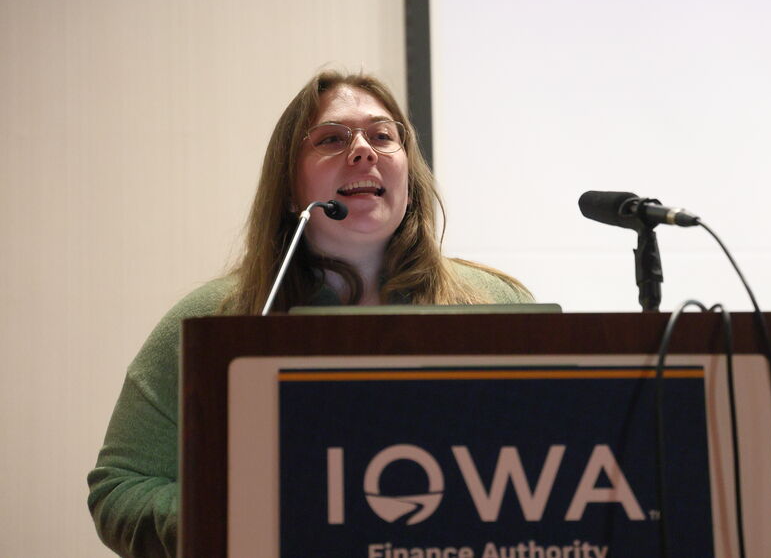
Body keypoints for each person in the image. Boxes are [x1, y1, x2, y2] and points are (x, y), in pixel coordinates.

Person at [87, 70, 532, 557]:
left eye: (383, 136)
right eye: (332, 139)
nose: (364, 150)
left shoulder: (497, 303)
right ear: (290, 187)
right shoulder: (216, 320)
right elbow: (122, 485)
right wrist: (235, 519)